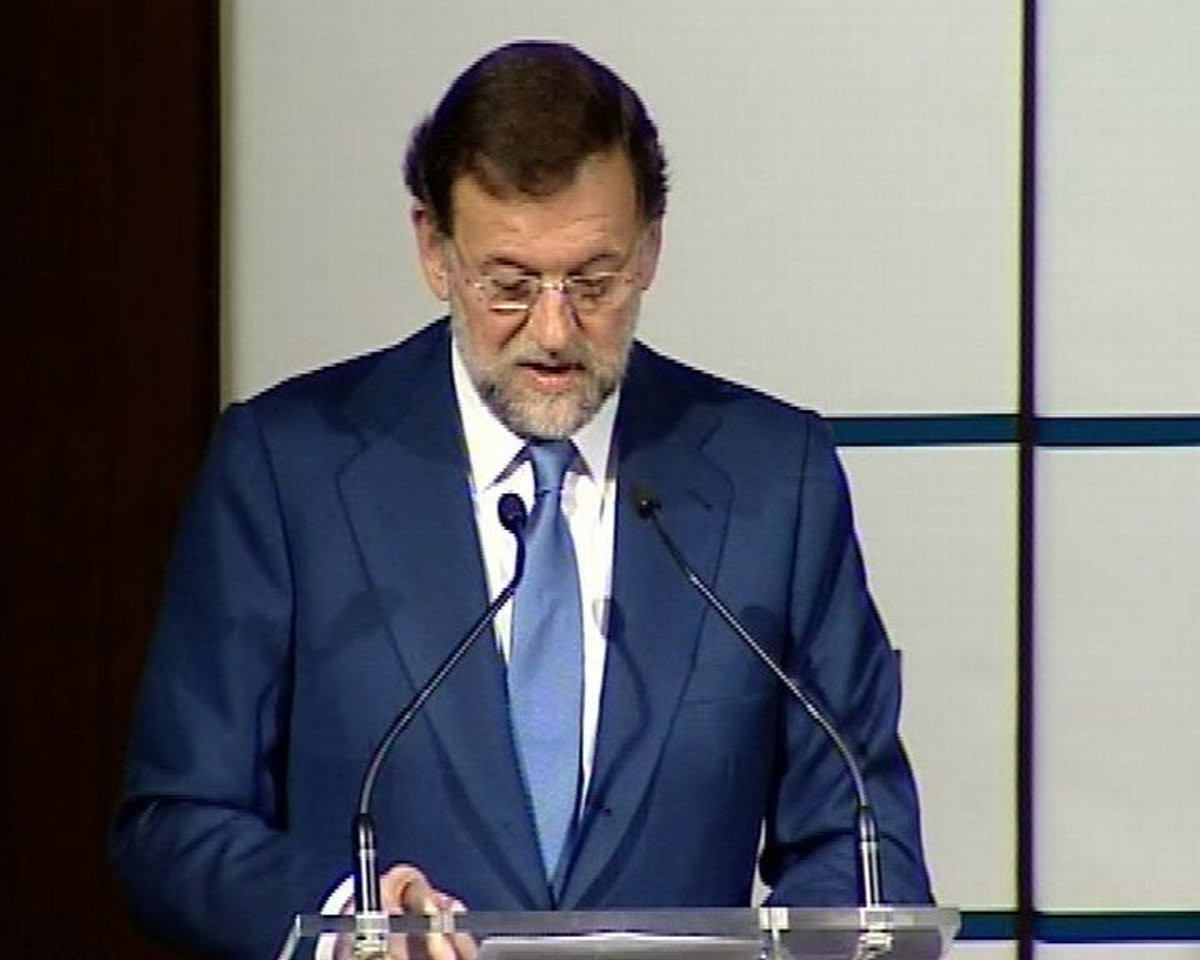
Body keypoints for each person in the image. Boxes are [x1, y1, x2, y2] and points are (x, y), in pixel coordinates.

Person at [112, 39, 933, 960]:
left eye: (593, 281)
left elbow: (862, 844)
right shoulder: (287, 469)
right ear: (434, 249)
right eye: (507, 285)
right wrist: (350, 925)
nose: (553, 330)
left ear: (650, 249)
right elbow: (175, 823)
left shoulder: (774, 481)